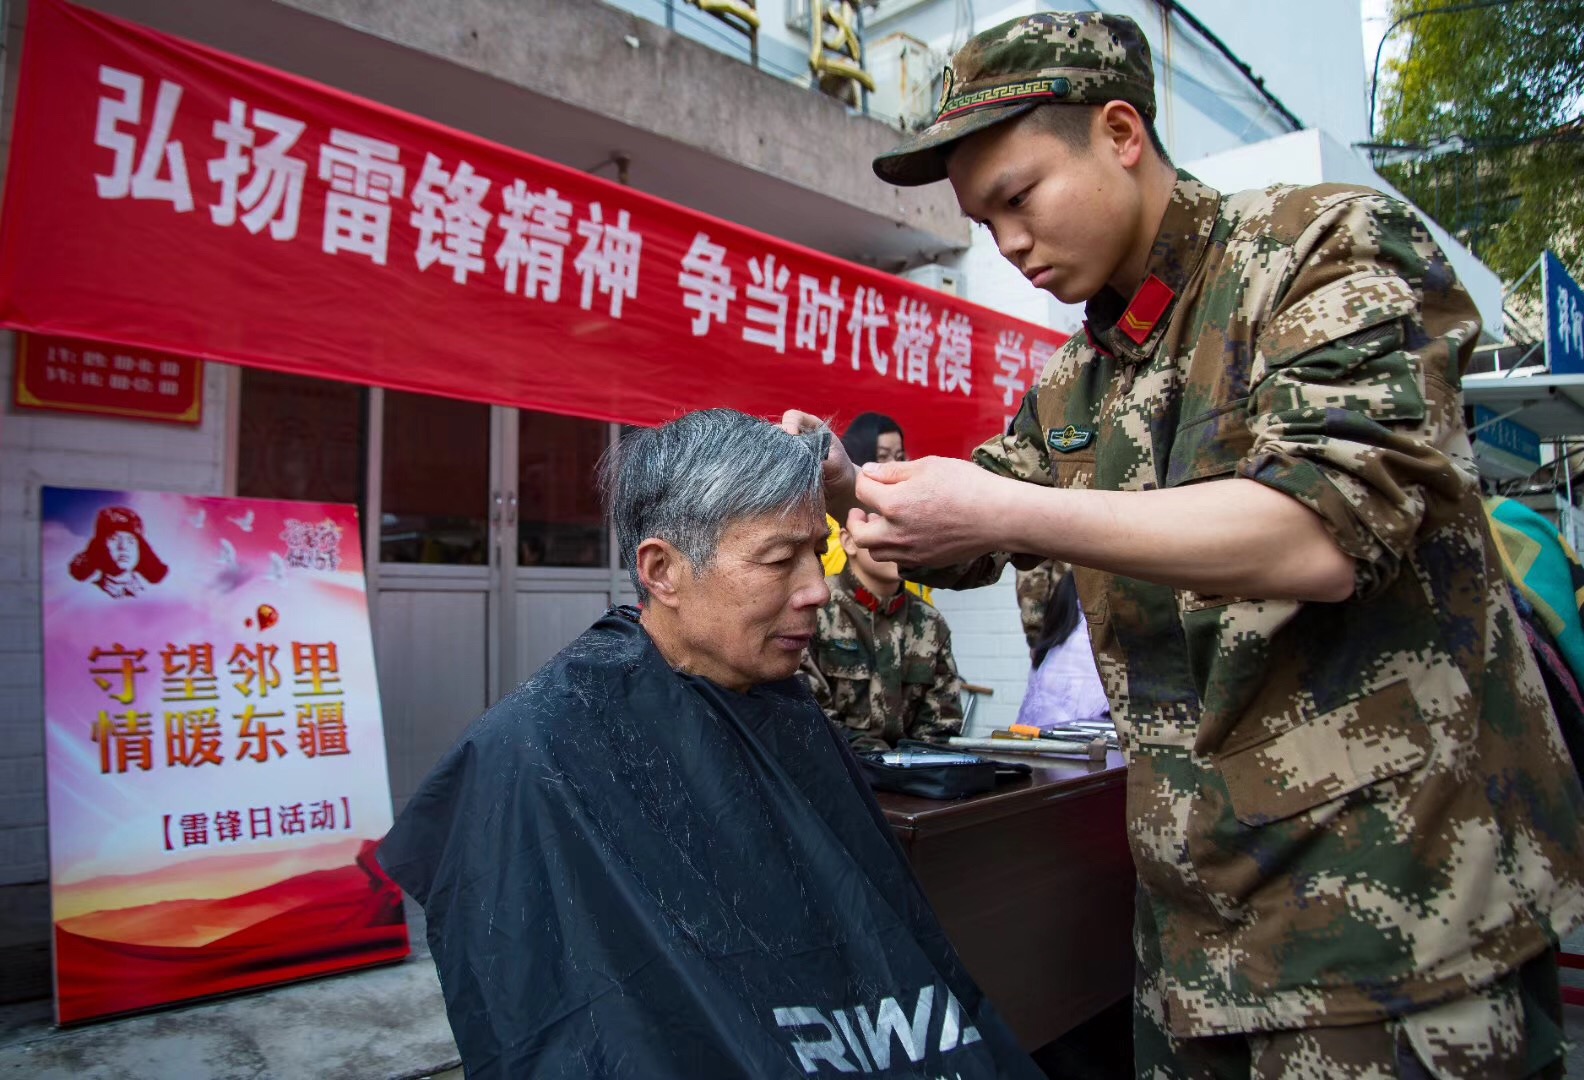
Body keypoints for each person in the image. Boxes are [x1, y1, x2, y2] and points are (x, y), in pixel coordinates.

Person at [783, 11, 1584, 1077]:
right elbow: (969, 527)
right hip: (1193, 940)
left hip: (1393, 926)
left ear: (1120, 132)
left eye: (1018, 198)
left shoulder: (1318, 248)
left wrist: (1015, 513)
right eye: (981, 222)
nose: (1008, 244)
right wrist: (847, 492)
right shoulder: (1083, 380)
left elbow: (1320, 529)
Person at [378, 409, 1039, 1080]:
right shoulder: (536, 748)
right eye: (781, 559)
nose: (815, 589)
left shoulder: (781, 704)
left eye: (820, 551)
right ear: (661, 569)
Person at [802, 526, 964, 750]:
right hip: (835, 769)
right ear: (849, 541)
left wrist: (910, 767)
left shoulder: (930, 623)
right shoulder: (815, 610)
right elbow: (807, 718)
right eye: (885, 531)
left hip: (908, 776)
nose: (900, 543)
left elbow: (940, 727)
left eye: (905, 533)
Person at [820, 412, 932, 606]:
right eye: (882, 456)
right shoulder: (830, 519)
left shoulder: (911, 515)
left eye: (899, 456)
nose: (895, 465)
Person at [68, 506, 168, 598]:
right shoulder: (88, 594)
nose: (123, 547)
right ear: (101, 546)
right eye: (114, 539)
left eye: (130, 541)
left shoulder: (152, 595)